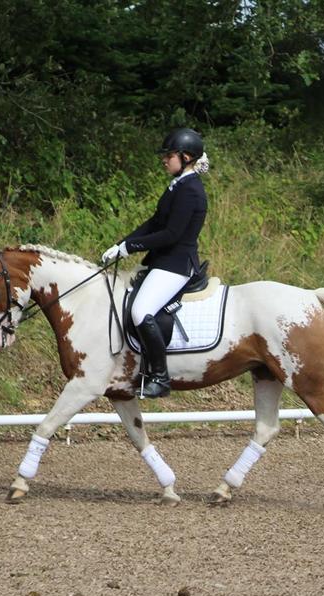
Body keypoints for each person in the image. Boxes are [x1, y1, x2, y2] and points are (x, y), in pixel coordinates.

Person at [102, 127, 209, 398]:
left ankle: (160, 378)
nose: (164, 159)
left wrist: (131, 246)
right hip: (163, 261)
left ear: (186, 157)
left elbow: (171, 234)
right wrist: (121, 245)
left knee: (140, 311)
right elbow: (154, 223)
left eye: (169, 155)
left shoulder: (191, 190)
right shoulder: (179, 185)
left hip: (176, 264)